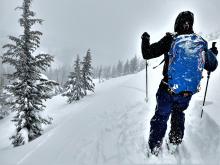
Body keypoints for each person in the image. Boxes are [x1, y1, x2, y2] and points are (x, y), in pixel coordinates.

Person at [141, 11, 218, 155]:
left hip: (167, 90)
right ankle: (175, 141)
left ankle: (154, 147)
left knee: (161, 116)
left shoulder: (171, 39)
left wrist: (145, 39)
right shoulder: (199, 42)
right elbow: (212, 65)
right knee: (179, 113)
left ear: (177, 23)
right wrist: (212, 52)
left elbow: (147, 53)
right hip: (186, 93)